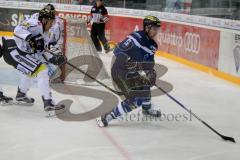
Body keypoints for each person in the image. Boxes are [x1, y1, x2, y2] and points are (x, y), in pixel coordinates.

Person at [97, 15, 161, 127]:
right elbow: (118, 51)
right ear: (147, 27)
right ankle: (109, 115)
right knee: (136, 100)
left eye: (157, 29)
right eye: (154, 29)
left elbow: (149, 64)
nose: (156, 32)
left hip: (132, 72)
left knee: (146, 83)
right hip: (120, 71)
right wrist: (127, 61)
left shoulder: (153, 45)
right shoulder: (136, 37)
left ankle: (146, 109)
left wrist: (151, 73)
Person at [1, 7, 66, 111]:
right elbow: (18, 30)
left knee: (32, 70)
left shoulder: (46, 34)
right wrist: (30, 38)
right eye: (51, 21)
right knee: (42, 70)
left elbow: (40, 52)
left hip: (20, 52)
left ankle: (21, 95)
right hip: (13, 49)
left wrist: (53, 58)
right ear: (44, 20)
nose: (52, 24)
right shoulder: (36, 23)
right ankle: (48, 103)